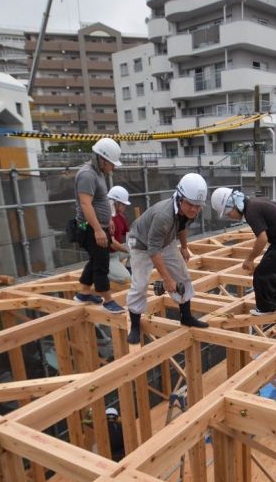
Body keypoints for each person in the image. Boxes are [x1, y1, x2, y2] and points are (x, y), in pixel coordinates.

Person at [126, 172, 210, 344]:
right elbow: (153, 250)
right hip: (140, 243)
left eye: (198, 206)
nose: (194, 209)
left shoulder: (189, 211)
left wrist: (184, 247)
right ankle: (135, 325)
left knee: (183, 275)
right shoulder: (163, 215)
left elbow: (182, 227)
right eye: (191, 204)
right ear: (179, 197)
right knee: (140, 284)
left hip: (166, 239)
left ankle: (186, 317)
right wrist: (167, 279)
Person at [212, 188, 276, 315]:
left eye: (228, 213)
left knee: (261, 274)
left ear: (234, 206)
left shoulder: (251, 211)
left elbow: (262, 238)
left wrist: (250, 259)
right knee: (271, 271)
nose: (229, 217)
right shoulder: (256, 202)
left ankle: (266, 308)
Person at [73, 137, 125, 313]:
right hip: (89, 228)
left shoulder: (98, 173)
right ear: (102, 159)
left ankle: (84, 294)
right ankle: (108, 300)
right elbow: (86, 204)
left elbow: (99, 201)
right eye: (111, 163)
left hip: (99, 225)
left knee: (95, 259)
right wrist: (97, 230)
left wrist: (108, 220)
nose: (114, 167)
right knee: (102, 262)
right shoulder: (87, 175)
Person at [107, 185, 132, 285]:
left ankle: (129, 269)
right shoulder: (106, 219)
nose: (125, 207)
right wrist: (129, 249)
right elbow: (112, 243)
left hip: (116, 253)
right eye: (123, 205)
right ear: (115, 203)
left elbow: (129, 234)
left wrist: (135, 246)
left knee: (140, 249)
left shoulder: (121, 217)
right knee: (125, 279)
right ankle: (102, 271)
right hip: (107, 256)